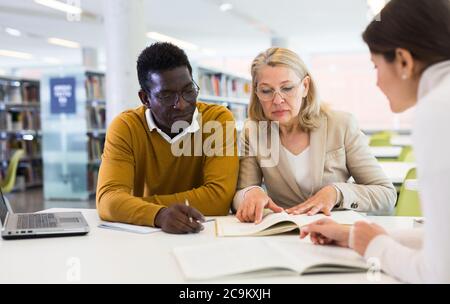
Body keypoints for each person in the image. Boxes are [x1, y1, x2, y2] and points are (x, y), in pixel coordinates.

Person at [300, 0, 450, 283]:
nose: (377, 82)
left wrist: (373, 246)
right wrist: (355, 235)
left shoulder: (438, 110)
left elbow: (439, 273)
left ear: (404, 60)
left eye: (375, 66)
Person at [234, 47, 397, 224]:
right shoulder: (254, 131)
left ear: (305, 86)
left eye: (287, 88)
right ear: (256, 93)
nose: (278, 100)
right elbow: (241, 193)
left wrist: (336, 193)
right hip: (282, 232)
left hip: (334, 229)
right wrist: (250, 193)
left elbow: (386, 194)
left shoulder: (341, 125)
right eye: (266, 91)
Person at [96, 42, 239, 234]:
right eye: (166, 96)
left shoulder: (217, 119)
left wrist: (133, 207)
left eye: (188, 91)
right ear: (145, 98)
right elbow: (108, 201)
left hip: (203, 233)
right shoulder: (126, 127)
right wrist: (159, 215)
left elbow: (219, 199)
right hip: (145, 237)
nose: (181, 104)